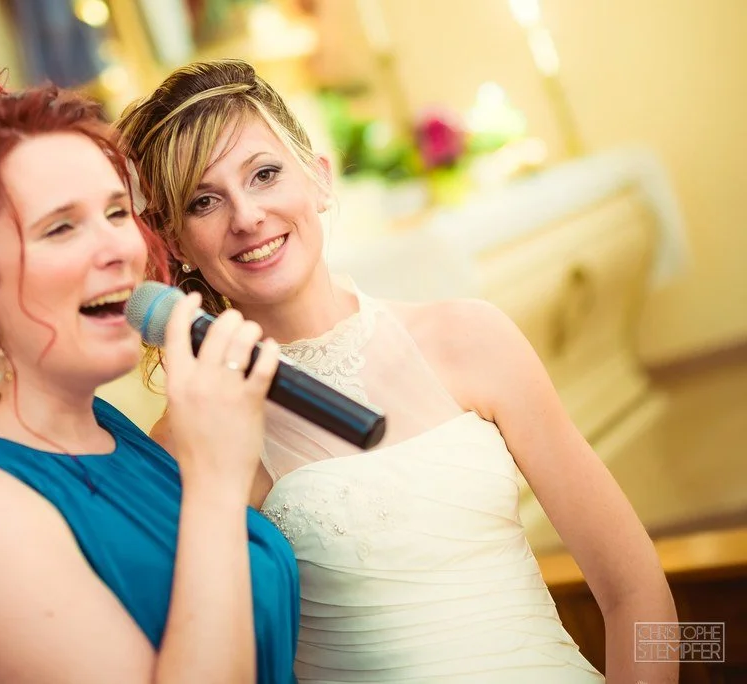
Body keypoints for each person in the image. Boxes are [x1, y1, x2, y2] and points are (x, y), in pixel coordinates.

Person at [118, 59, 679, 683]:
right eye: (204, 201)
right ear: (175, 245)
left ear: (319, 181)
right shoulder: (188, 441)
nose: (246, 216)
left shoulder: (470, 337)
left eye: (265, 175)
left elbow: (636, 594)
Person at [0, 71, 300, 684]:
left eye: (115, 212)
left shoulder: (107, 430)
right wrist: (214, 479)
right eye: (61, 227)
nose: (120, 249)